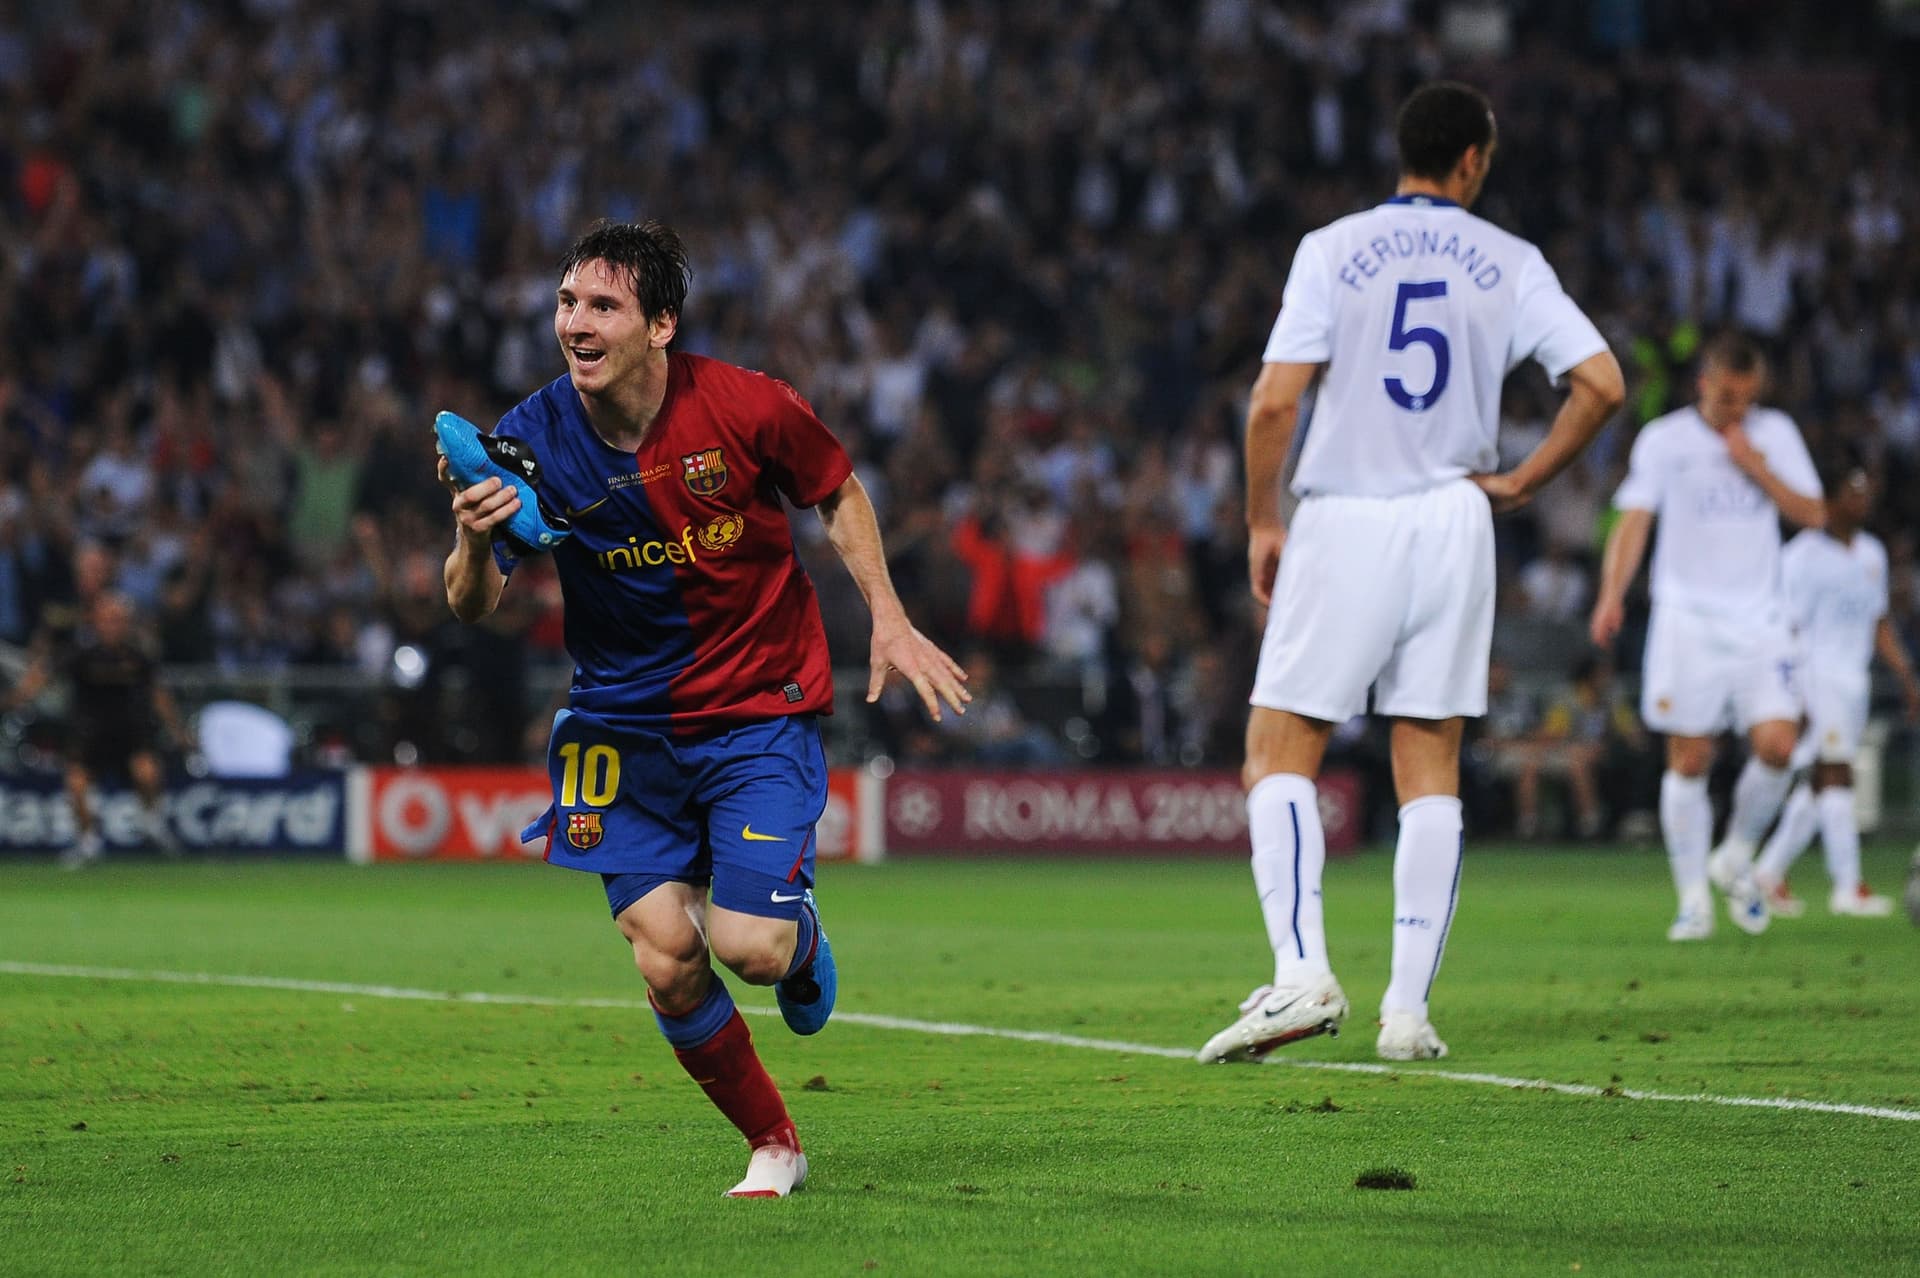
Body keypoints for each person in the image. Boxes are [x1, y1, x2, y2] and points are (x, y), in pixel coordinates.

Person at [438, 220, 967, 1199]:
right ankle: (774, 1142)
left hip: (755, 711)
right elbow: (472, 604)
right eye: (566, 302)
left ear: (662, 325)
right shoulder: (535, 437)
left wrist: (887, 617)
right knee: (670, 957)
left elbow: (837, 489)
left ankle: (801, 942)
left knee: (749, 949)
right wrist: (473, 542)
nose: (577, 322)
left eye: (603, 306)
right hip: (616, 731)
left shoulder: (747, 407)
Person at [1197, 82, 1623, 1066]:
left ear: (1406, 152)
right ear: (1473, 159)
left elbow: (1272, 404)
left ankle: (1302, 975)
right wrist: (1522, 480)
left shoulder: (1331, 249)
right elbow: (1601, 385)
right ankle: (1406, 1015)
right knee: (1429, 763)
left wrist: (1266, 516)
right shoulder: (1511, 262)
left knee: (1279, 749)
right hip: (1454, 517)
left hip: (1347, 512)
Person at [1590, 333, 1825, 941]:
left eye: (1747, 400)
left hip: (1761, 618)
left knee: (1779, 745)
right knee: (1690, 756)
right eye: (1726, 398)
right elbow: (1634, 520)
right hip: (1687, 619)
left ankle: (1736, 854)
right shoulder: (1665, 440)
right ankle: (1693, 896)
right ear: (1703, 383)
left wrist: (1756, 467)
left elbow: (1814, 514)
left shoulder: (1774, 436)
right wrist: (1612, 595)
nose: (1736, 411)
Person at [1751, 463, 1920, 917]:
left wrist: (1906, 676)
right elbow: (1781, 625)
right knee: (1837, 775)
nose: (1863, 502)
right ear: (1829, 500)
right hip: (1814, 676)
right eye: (1853, 492)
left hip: (1853, 680)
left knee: (1819, 783)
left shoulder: (1871, 554)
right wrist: (1789, 693)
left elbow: (1878, 621)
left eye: (1867, 492)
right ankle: (1848, 887)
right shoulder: (1800, 557)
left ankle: (1766, 873)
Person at [4, 591, 188, 866]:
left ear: (126, 623)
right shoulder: (82, 654)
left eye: (118, 620)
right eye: (108, 619)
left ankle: (151, 823)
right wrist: (15, 699)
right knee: (76, 784)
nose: (113, 625)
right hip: (90, 733)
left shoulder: (138, 656)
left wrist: (178, 731)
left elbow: (159, 694)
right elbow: (44, 673)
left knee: (148, 773)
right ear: (97, 622)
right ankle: (88, 842)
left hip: (131, 732)